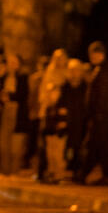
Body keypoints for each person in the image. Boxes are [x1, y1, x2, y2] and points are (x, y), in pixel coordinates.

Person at [75, 41, 108, 186]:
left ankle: (99, 175)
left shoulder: (105, 70)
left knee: (100, 144)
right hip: (97, 114)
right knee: (97, 145)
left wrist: (99, 112)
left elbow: (103, 93)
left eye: (94, 54)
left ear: (101, 54)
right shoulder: (98, 69)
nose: (91, 57)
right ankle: (86, 174)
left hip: (102, 113)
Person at [39, 49, 69, 183]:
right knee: (49, 146)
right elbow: (43, 93)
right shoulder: (49, 72)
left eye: (61, 58)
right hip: (49, 113)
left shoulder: (67, 75)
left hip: (61, 113)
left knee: (59, 146)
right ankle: (51, 171)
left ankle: (59, 173)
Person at [0, 54, 29, 175]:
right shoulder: (3, 77)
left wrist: (9, 96)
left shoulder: (23, 78)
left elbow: (23, 95)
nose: (12, 65)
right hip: (5, 112)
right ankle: (4, 171)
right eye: (10, 62)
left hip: (17, 113)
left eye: (14, 62)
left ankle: (14, 171)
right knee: (3, 143)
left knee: (16, 145)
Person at [59, 59, 88, 177]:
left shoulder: (85, 87)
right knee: (68, 146)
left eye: (76, 70)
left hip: (81, 121)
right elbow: (61, 103)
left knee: (79, 146)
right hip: (67, 121)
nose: (74, 73)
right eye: (71, 70)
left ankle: (78, 170)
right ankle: (69, 167)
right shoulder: (65, 86)